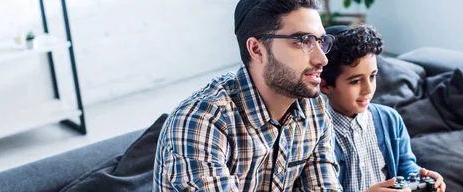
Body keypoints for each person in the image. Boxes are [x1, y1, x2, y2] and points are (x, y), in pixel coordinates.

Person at [153, 0, 342, 191]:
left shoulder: (313, 108)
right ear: (257, 50)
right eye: (303, 42)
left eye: (320, 42)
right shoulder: (201, 121)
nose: (322, 59)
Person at [319, 25, 446, 192]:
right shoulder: (318, 133)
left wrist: (421, 178)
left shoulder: (390, 120)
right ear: (325, 85)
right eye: (356, 81)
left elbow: (405, 166)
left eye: (372, 76)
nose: (368, 89)